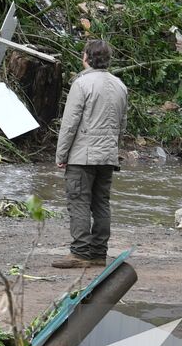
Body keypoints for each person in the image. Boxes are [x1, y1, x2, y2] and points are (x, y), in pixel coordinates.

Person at [54, 39, 128, 269]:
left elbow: (70, 123)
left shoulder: (81, 84)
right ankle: (98, 252)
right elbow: (122, 124)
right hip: (107, 156)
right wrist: (113, 149)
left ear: (86, 57)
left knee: (78, 202)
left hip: (82, 155)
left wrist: (61, 154)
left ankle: (80, 252)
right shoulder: (120, 85)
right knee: (101, 203)